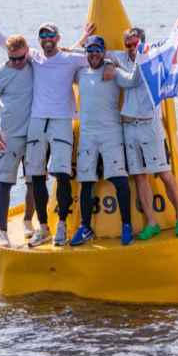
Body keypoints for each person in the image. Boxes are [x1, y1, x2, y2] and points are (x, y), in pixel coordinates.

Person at [0, 12, 91, 247]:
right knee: (35, 176)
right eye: (43, 37)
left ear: (58, 38)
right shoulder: (34, 58)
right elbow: (7, 45)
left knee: (60, 174)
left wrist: (90, 42)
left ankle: (60, 225)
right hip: (34, 123)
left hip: (61, 120)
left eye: (51, 36)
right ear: (39, 41)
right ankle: (42, 227)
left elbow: (96, 58)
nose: (47, 39)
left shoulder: (68, 58)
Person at [114, 0, 178, 240]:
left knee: (163, 173)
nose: (131, 48)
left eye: (134, 43)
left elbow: (177, 39)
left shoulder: (151, 57)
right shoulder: (121, 57)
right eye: (127, 44)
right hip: (129, 127)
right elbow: (91, 55)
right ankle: (151, 222)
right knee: (140, 176)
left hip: (150, 126)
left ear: (142, 41)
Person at [69, 35, 135, 247]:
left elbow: (133, 79)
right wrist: (81, 39)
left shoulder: (113, 72)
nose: (93, 54)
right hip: (88, 136)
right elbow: (64, 57)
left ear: (104, 51)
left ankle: (127, 225)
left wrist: (112, 62)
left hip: (111, 134)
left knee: (119, 181)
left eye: (98, 50)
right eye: (90, 50)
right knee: (86, 182)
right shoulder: (80, 73)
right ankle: (85, 227)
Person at [0, 33, 33, 248]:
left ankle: (29, 220)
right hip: (9, 136)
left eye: (21, 59)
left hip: (33, 133)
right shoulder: (1, 74)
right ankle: (3, 231)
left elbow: (60, 55)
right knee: (4, 183)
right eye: (13, 60)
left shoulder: (33, 65)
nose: (18, 63)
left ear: (27, 53)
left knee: (34, 180)